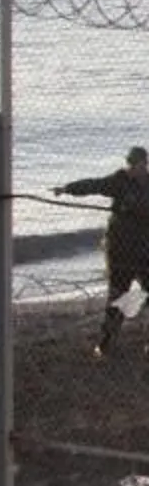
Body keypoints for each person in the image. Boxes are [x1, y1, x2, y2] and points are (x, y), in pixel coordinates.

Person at [53, 145, 149, 357]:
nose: (135, 168)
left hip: (146, 251)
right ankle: (106, 343)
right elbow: (93, 185)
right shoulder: (120, 181)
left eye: (139, 164)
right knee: (117, 297)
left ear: (145, 164)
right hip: (120, 251)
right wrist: (67, 188)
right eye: (132, 164)